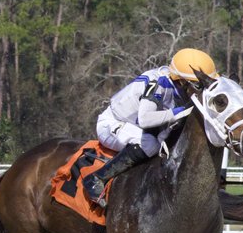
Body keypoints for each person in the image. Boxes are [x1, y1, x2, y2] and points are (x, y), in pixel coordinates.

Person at [81, 48, 214, 208]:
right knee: (150, 145)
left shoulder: (176, 84)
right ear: (183, 81)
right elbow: (145, 119)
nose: (202, 90)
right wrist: (178, 112)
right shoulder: (158, 83)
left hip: (141, 127)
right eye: (198, 85)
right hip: (112, 123)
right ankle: (97, 178)